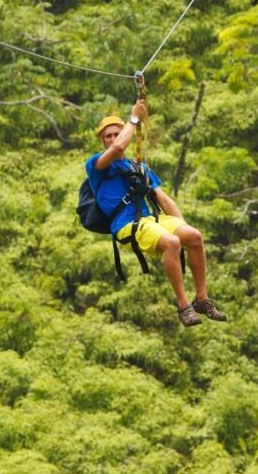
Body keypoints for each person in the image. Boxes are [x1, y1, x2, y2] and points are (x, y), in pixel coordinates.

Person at [85, 100, 226, 327]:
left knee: (194, 236)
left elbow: (163, 199)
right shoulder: (96, 165)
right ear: (102, 140)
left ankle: (202, 299)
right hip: (126, 225)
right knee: (171, 242)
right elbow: (118, 149)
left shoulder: (139, 167)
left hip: (151, 219)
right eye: (108, 136)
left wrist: (183, 227)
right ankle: (183, 307)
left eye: (116, 134)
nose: (112, 139)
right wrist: (134, 119)